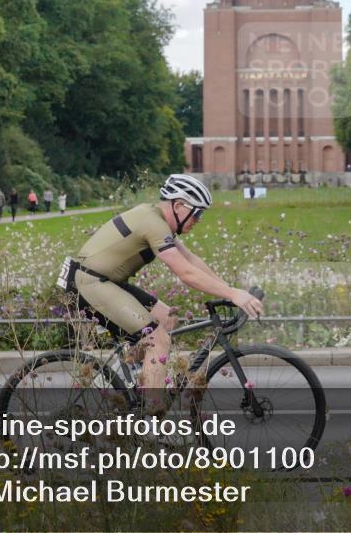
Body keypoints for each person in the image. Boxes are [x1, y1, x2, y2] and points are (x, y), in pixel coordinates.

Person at [68, 174, 263, 411]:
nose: (199, 220)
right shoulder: (153, 223)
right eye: (198, 213)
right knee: (158, 340)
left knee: (167, 318)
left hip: (106, 280)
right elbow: (185, 273)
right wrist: (233, 295)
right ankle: (150, 422)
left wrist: (229, 291)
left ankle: (140, 383)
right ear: (179, 206)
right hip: (89, 283)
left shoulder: (156, 219)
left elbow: (191, 260)